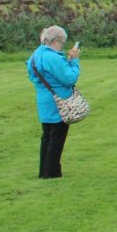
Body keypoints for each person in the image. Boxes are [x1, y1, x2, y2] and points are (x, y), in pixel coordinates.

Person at [27, 25, 81, 178]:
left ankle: (44, 170)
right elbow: (69, 78)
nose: (62, 47)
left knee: (47, 136)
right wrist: (74, 61)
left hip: (43, 99)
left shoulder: (36, 54)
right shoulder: (52, 57)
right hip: (58, 101)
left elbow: (32, 75)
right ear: (57, 41)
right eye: (62, 43)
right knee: (57, 137)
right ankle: (51, 172)